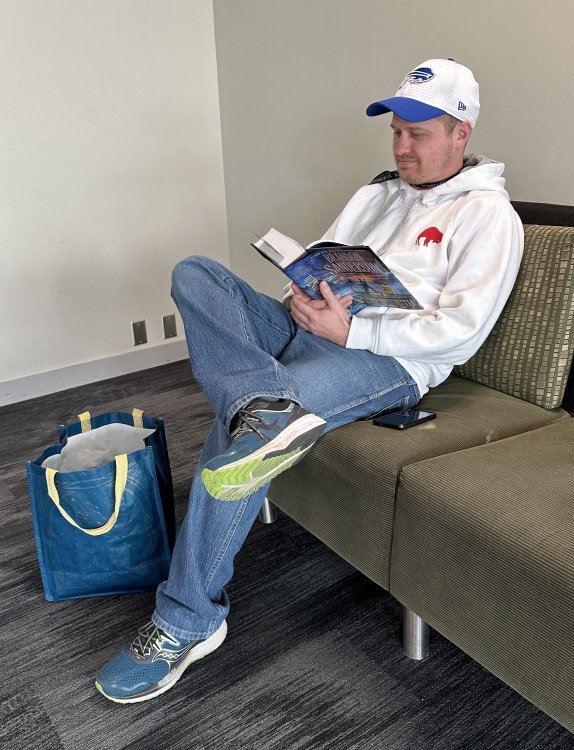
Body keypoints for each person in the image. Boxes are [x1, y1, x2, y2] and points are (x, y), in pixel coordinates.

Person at [95, 58, 524, 703]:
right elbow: (317, 263)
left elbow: (461, 332)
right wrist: (301, 299)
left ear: (461, 133)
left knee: (239, 432)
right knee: (197, 274)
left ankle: (185, 619)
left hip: (384, 361)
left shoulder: (489, 216)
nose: (402, 146)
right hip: (316, 329)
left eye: (419, 132)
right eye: (396, 132)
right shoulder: (375, 193)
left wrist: (351, 333)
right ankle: (261, 403)